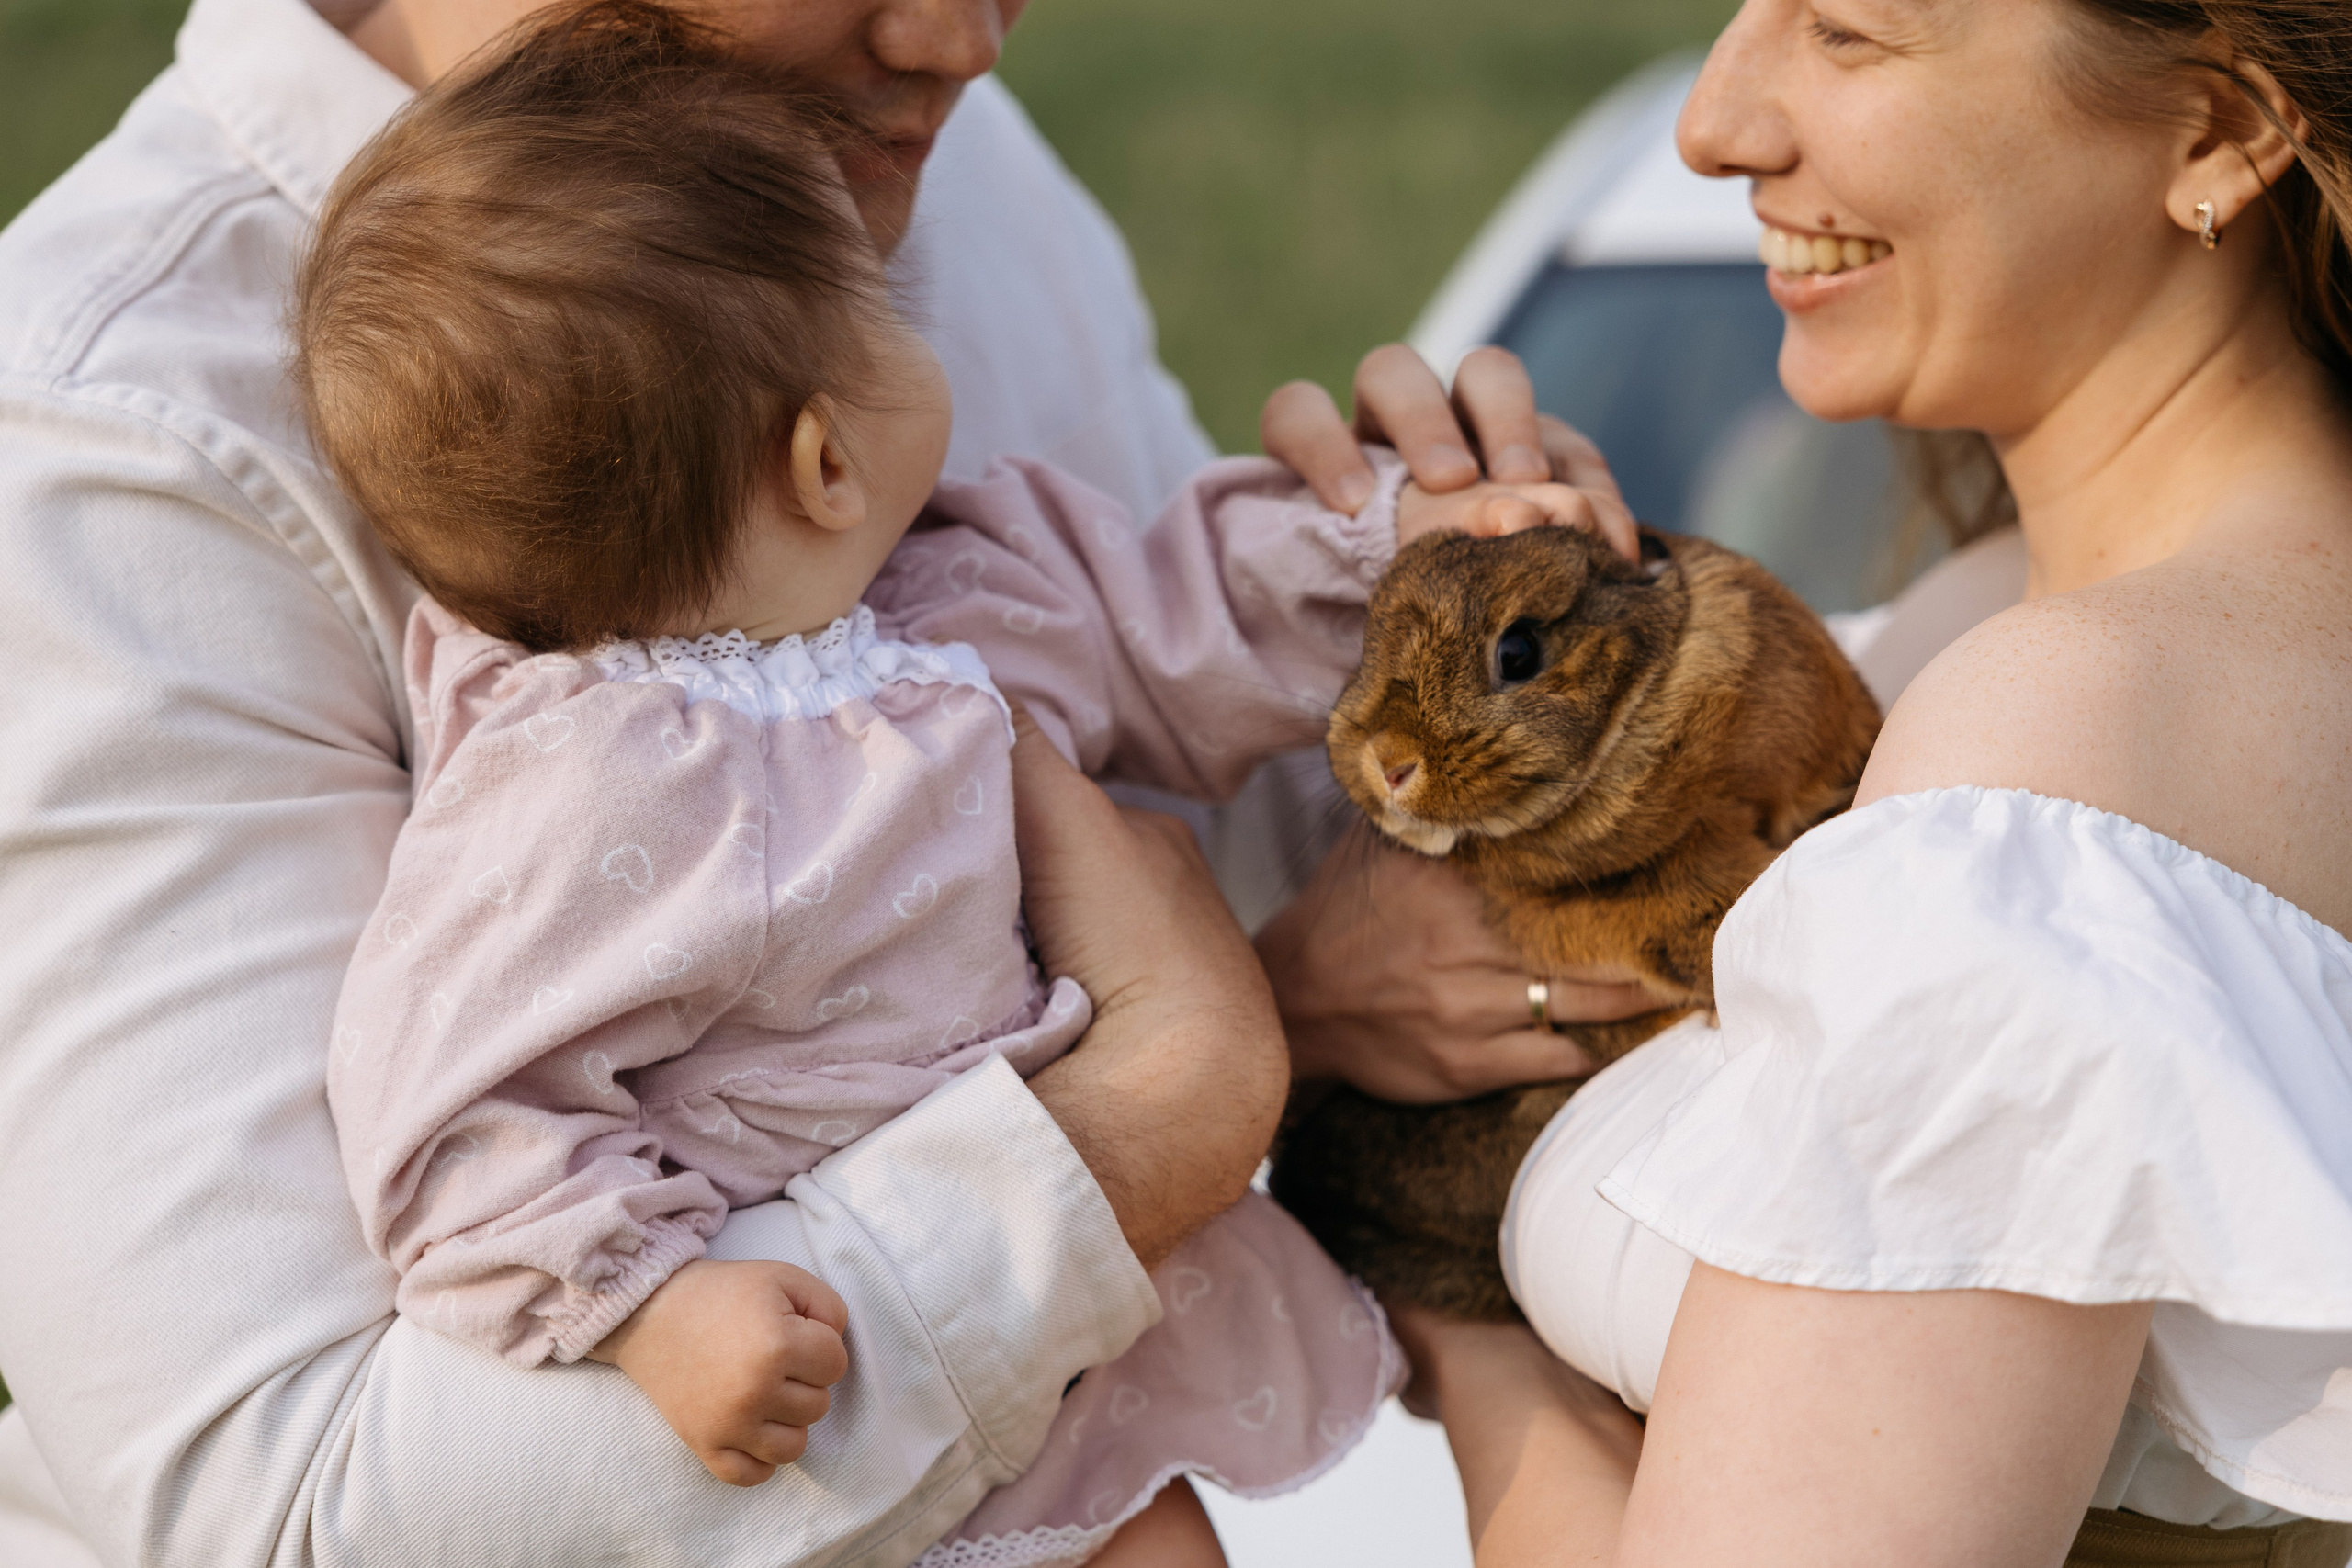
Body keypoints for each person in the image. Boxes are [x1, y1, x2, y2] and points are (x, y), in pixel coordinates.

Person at [0, 0, 1607, 1562]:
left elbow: (1176, 664)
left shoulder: (921, 161)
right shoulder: (111, 449)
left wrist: (1453, 587)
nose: (964, 41)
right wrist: (1147, 1116)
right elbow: (290, 1513)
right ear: (824, 460)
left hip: (1111, 1422)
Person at [1296, 0, 2352, 1562]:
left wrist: (1463, 1324)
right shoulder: (1995, 631)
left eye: (1847, 30)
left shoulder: (2049, 762)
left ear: (2219, 131)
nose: (1712, 122)